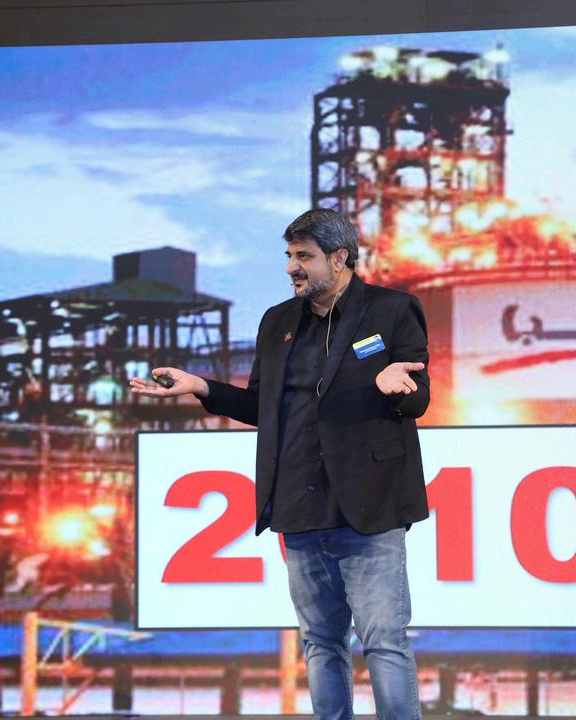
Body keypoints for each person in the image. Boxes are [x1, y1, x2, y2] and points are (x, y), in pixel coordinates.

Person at [129, 208, 430, 719]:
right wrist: (201, 386)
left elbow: (418, 398)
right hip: (297, 505)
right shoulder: (277, 321)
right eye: (289, 255)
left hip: (370, 508)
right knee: (321, 643)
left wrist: (392, 388)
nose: (292, 267)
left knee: (384, 641)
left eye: (304, 256)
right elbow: (259, 406)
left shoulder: (392, 309)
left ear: (339, 258)